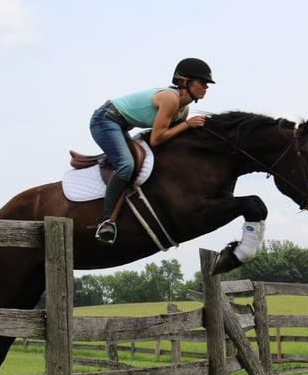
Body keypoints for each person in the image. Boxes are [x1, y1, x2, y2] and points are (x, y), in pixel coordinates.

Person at [90, 58, 215, 244]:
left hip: (121, 125)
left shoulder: (184, 110)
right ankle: (106, 221)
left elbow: (172, 139)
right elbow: (157, 138)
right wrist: (188, 125)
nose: (206, 87)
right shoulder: (170, 99)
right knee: (126, 165)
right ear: (186, 82)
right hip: (104, 120)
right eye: (202, 82)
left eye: (207, 84)